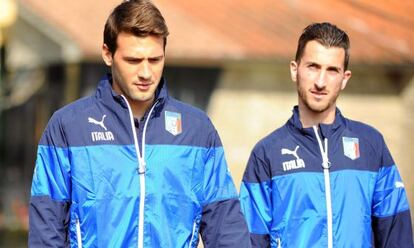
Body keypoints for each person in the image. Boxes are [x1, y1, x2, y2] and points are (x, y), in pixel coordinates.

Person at [28, 0, 250, 247]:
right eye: (134, 60)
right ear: (107, 54)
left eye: (155, 60)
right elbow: (46, 230)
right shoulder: (68, 127)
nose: (146, 73)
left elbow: (226, 228)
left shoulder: (198, 130)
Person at [239, 22, 413, 247]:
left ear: (345, 78)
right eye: (313, 66)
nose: (320, 82)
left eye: (332, 70)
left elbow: (396, 235)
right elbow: (250, 238)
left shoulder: (371, 145)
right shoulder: (267, 153)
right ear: (295, 69)